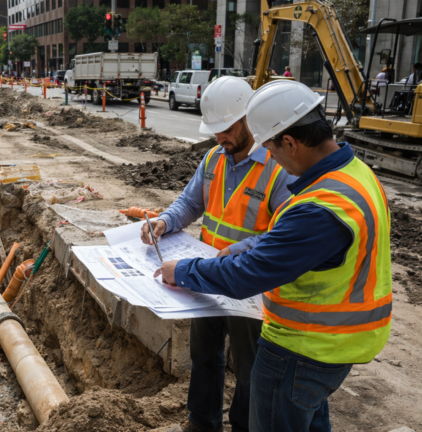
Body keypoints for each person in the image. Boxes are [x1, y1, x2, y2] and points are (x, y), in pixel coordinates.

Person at [155, 80, 391, 432]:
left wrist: (186, 271)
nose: (273, 157)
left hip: (302, 344)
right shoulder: (355, 176)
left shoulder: (320, 206)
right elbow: (192, 202)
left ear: (291, 143)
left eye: (274, 149)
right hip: (330, 344)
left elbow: (251, 271)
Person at [141, 76, 295, 432]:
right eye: (215, 131)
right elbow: (189, 203)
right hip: (207, 279)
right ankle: (202, 422)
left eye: (225, 129)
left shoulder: (278, 170)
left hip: (248, 285)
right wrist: (164, 222)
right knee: (204, 357)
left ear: (248, 120)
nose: (219, 137)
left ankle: (242, 425)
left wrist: (230, 255)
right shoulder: (214, 159)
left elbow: (281, 236)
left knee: (247, 367)